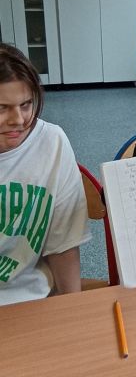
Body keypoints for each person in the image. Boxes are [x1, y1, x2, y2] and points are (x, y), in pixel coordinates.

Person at [0, 44, 90, 305]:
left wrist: (72, 309)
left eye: (26, 104)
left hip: (33, 300)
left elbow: (63, 244)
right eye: (2, 108)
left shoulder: (53, 143)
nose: (18, 119)